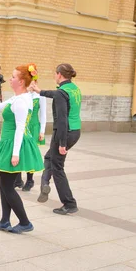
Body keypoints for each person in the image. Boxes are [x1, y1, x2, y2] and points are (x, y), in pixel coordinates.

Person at [0, 64, 44, 233]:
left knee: (6, 185)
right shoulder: (17, 98)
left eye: (12, 77)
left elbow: (20, 127)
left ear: (20, 81)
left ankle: (25, 222)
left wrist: (15, 154)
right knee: (4, 183)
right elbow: (0, 107)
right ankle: (5, 220)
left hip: (14, 143)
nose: (9, 79)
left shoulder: (22, 101)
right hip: (10, 142)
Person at [30, 63, 81, 215]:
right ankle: (44, 183)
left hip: (64, 132)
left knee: (57, 166)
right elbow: (56, 94)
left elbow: (62, 119)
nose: (54, 76)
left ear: (59, 74)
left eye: (55, 74)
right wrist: (40, 91)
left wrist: (62, 143)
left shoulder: (61, 93)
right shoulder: (73, 89)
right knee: (49, 158)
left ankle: (69, 203)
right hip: (75, 131)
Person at [15, 84, 47, 191]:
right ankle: (18, 179)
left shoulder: (40, 95)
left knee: (30, 153)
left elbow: (43, 114)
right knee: (17, 150)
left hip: (33, 126)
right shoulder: (22, 94)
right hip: (21, 124)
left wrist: (42, 131)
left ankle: (30, 180)